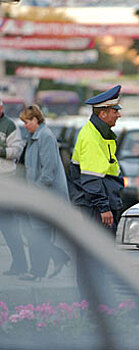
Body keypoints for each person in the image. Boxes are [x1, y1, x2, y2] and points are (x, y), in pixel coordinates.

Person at [19, 105, 71, 281]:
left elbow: (48, 171)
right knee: (35, 232)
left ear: (35, 120)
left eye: (26, 122)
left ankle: (37, 271)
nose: (24, 125)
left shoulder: (45, 137)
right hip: (37, 194)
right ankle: (54, 260)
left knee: (38, 233)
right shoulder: (35, 136)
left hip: (45, 195)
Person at [68, 85, 124, 233]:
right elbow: (91, 178)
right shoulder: (91, 137)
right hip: (96, 208)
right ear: (103, 114)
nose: (119, 115)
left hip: (99, 204)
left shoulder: (99, 133)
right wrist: (103, 207)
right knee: (100, 251)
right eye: (115, 111)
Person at [0, 98, 28, 276]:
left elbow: (16, 151)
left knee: (9, 227)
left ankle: (20, 264)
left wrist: (1, 151)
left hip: (6, 179)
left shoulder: (10, 126)